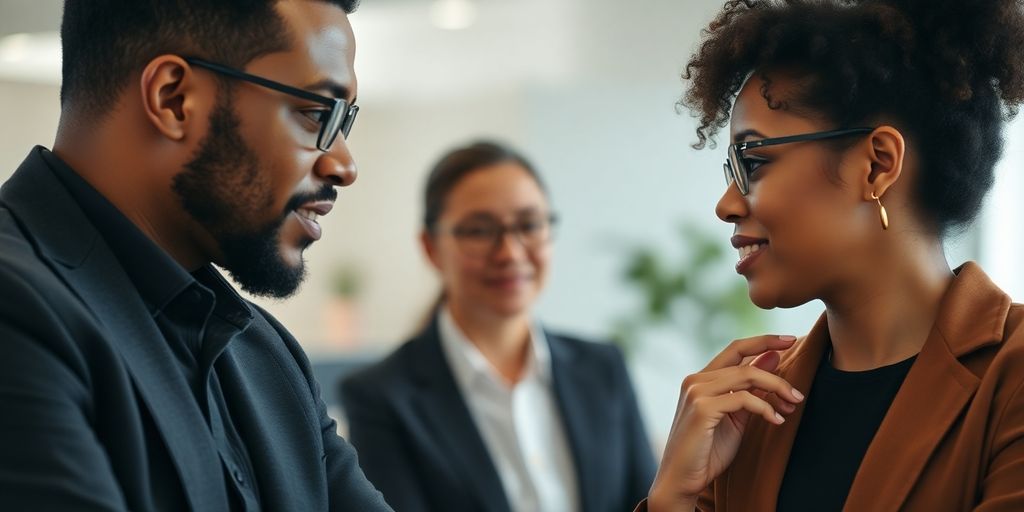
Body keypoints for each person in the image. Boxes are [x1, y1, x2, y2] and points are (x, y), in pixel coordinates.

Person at [0, 1, 393, 510]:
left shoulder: (267, 354)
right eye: (317, 113)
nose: (344, 164)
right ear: (173, 99)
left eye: (346, 121)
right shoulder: (17, 312)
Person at [643, 0, 1024, 510]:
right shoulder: (748, 412)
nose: (727, 205)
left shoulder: (1011, 377)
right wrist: (672, 499)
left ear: (876, 165)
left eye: (753, 161)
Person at [340, 141, 656, 512]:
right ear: (430, 248)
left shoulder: (603, 368)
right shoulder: (380, 397)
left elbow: (649, 502)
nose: (510, 252)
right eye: (478, 230)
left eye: (529, 224)